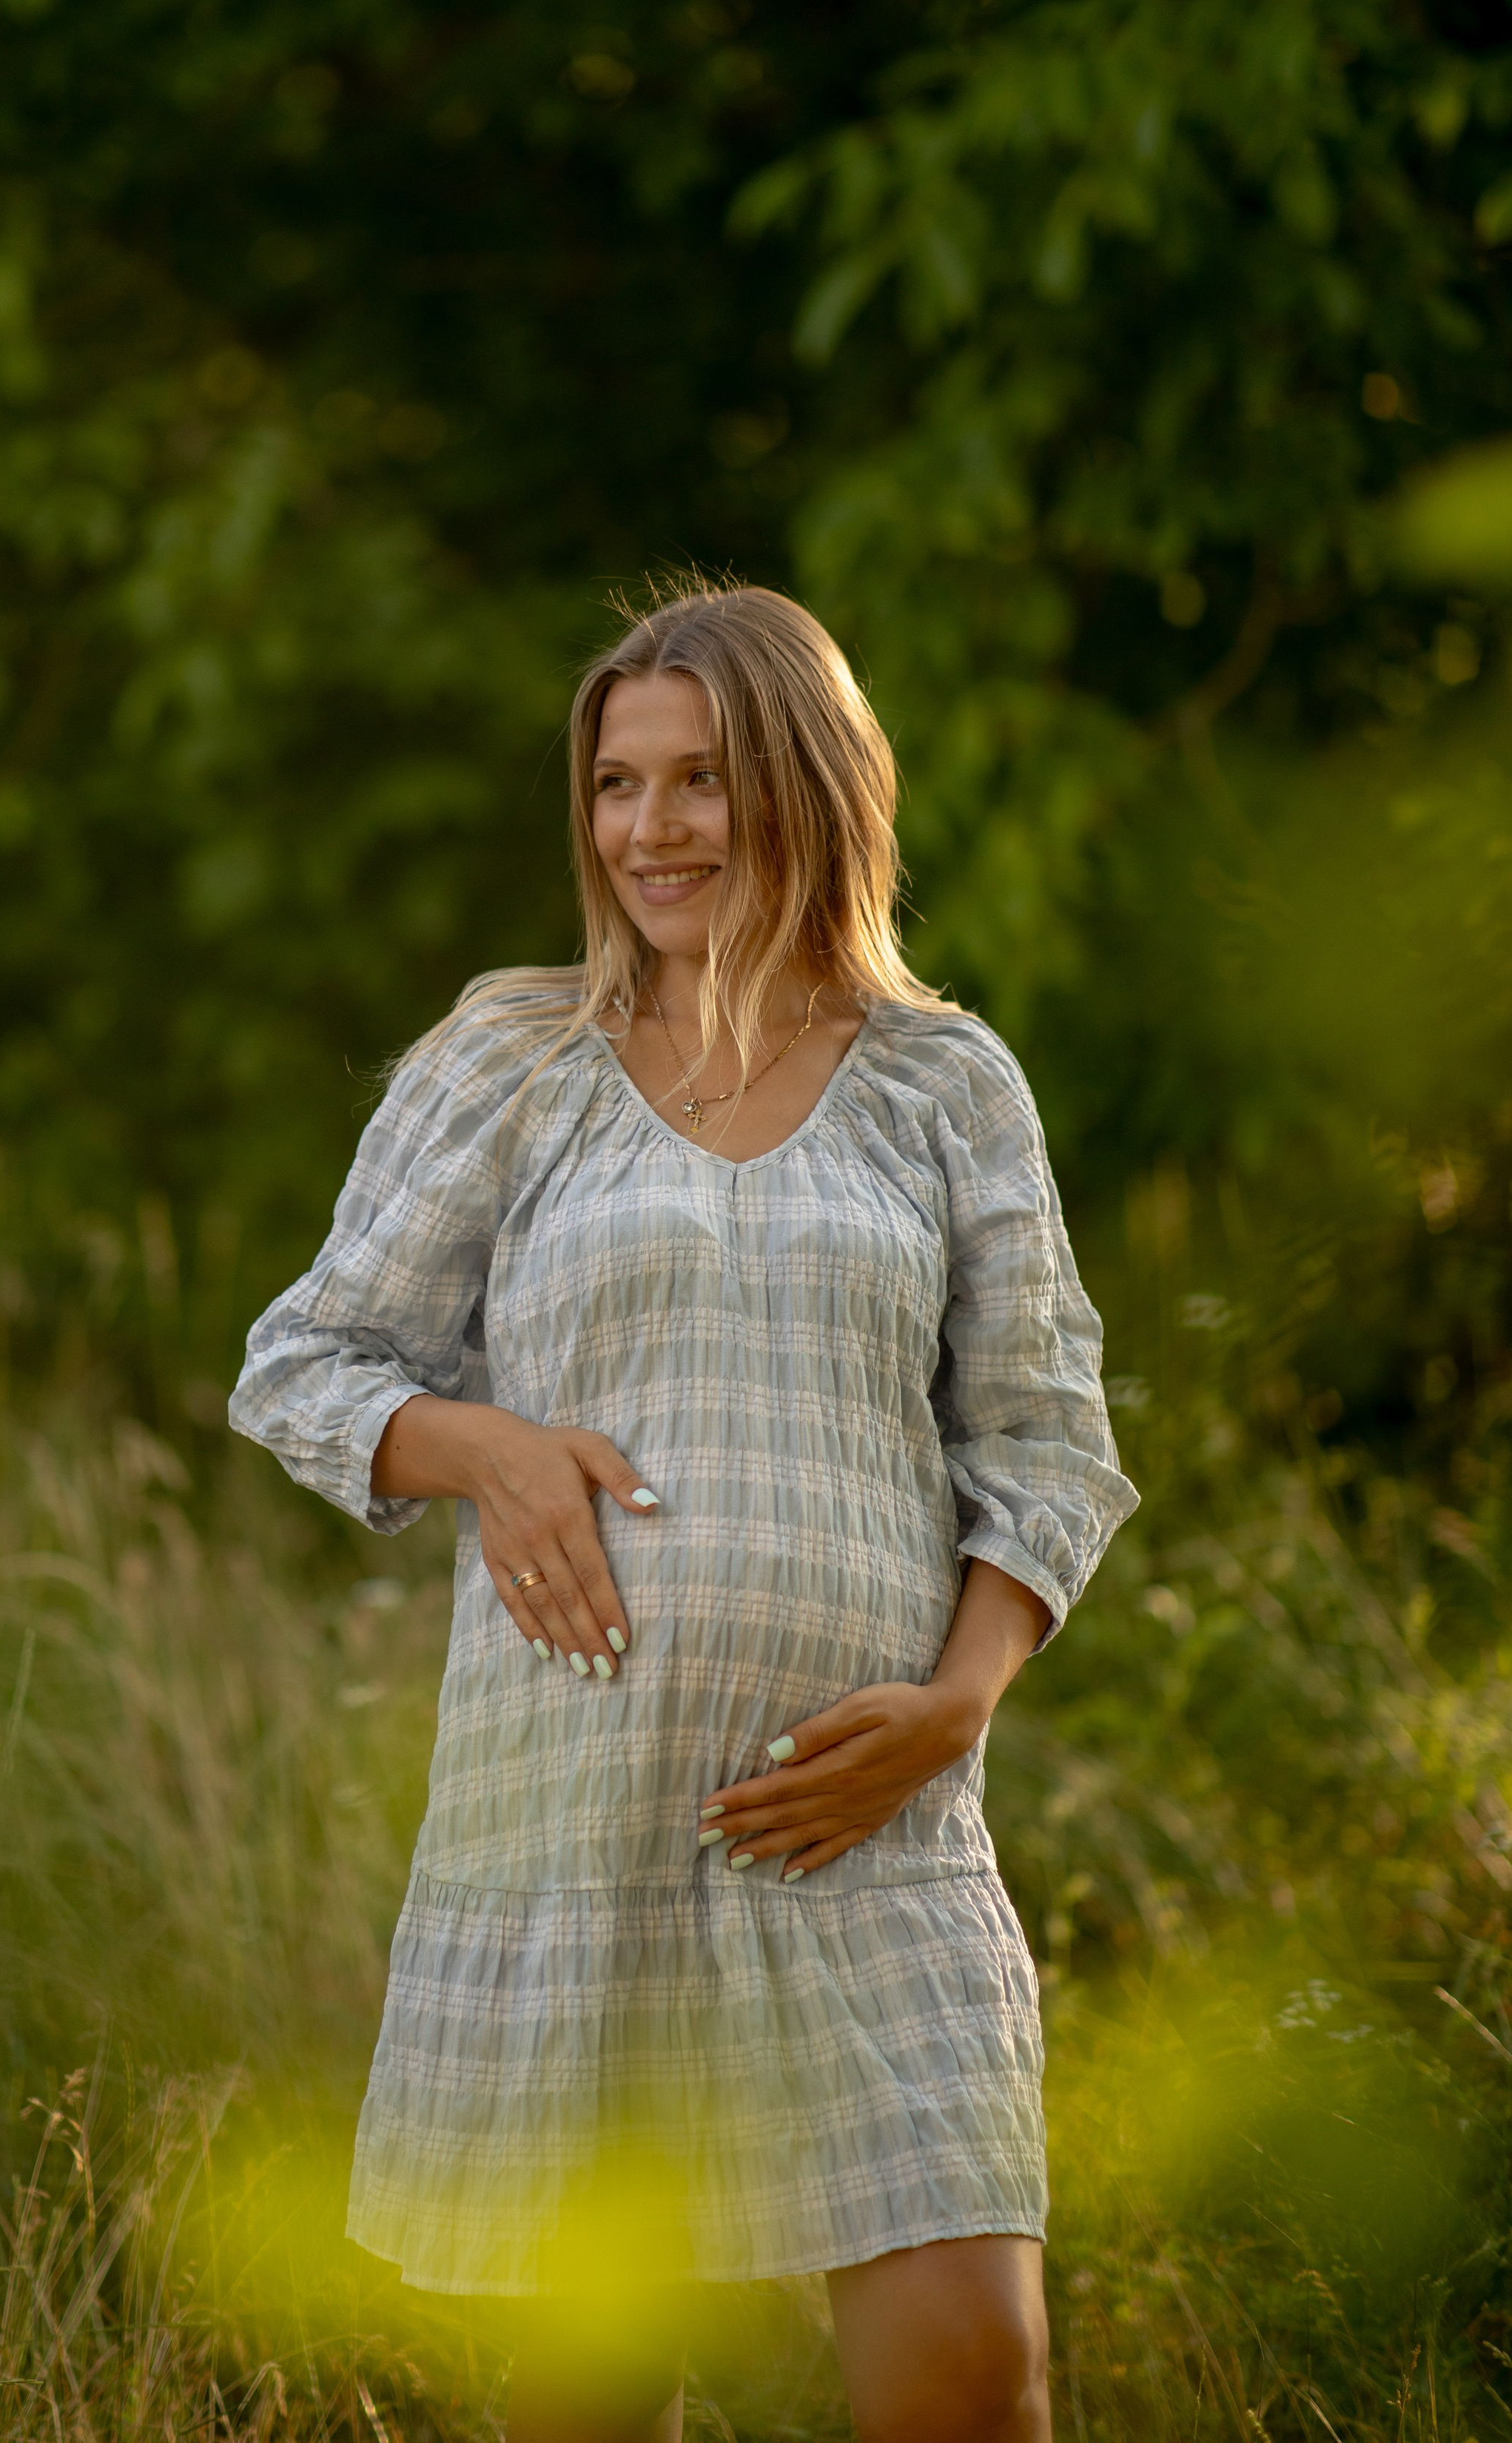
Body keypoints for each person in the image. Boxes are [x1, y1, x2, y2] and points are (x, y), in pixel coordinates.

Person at [229, 583, 1138, 2443]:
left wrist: (956, 1707)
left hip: (864, 1827)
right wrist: (476, 1445)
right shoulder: (510, 1057)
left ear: (808, 787)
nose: (650, 830)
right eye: (617, 785)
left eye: (702, 779)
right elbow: (301, 1364)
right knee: (590, 2398)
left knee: (974, 2374)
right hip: (576, 1831)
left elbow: (1043, 1445)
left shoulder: (942, 1085)